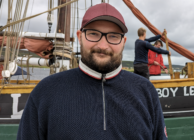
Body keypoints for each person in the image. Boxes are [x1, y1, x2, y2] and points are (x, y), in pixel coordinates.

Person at [17, 3, 168, 140]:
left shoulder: (146, 91)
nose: (103, 45)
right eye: (93, 34)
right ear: (79, 36)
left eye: (113, 36)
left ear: (123, 42)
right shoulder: (45, 92)